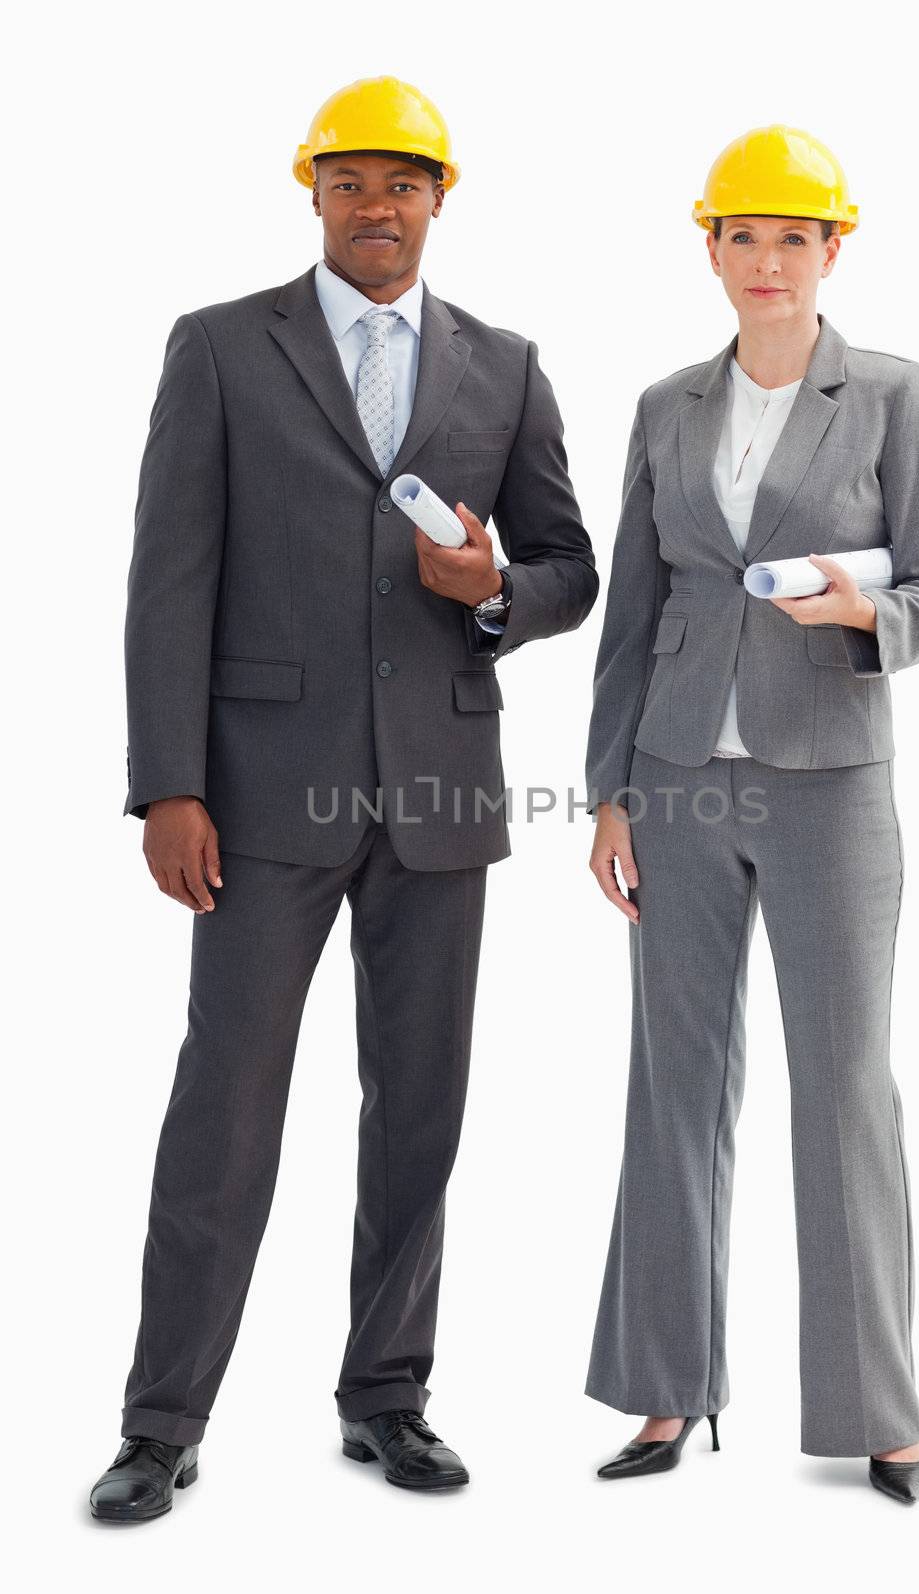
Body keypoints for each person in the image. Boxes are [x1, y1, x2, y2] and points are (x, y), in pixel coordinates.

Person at [89, 75, 597, 1521]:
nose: (379, 208)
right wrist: (168, 785)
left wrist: (496, 591)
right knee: (225, 1109)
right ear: (312, 193)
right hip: (258, 797)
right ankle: (161, 1418)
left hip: (440, 793)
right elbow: (166, 582)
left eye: (406, 184)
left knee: (419, 1110)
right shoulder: (221, 349)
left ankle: (388, 1395)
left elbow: (571, 567)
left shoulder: (503, 367)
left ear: (444, 199)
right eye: (353, 183)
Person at [583, 124, 919, 1504]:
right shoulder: (662, 407)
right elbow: (632, 612)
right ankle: (662, 1393)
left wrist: (869, 607)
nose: (765, 264)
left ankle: (881, 1409)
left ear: (832, 250)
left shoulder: (893, 396)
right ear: (711, 248)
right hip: (679, 782)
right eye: (741, 238)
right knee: (671, 1086)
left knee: (846, 1091)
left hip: (832, 789)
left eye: (791, 240)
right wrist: (611, 796)